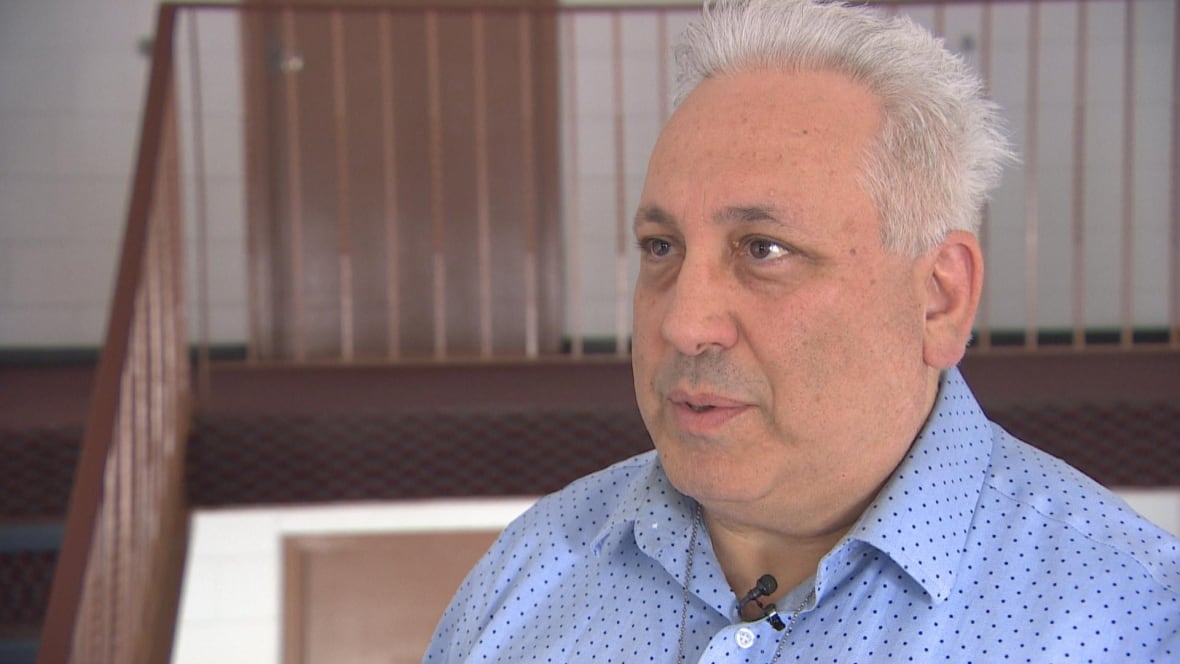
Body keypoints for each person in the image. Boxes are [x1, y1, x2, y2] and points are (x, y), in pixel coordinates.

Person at [424, 1, 1180, 661]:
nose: (685, 323)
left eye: (764, 250)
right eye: (662, 247)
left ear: (940, 297)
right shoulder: (531, 569)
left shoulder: (1133, 623)